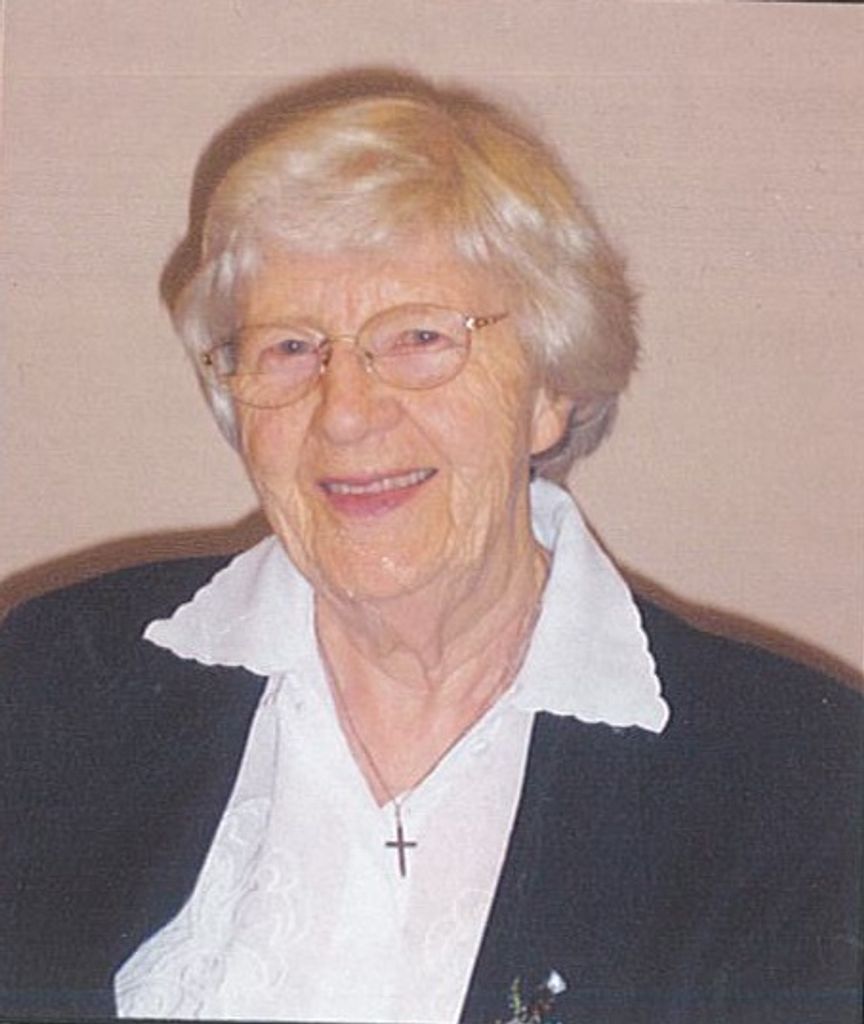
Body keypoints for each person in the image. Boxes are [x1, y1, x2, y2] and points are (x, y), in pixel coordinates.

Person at [1, 74, 861, 1024]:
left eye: (418, 337)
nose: (346, 412)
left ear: (550, 390)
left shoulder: (799, 776)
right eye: (290, 347)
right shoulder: (47, 680)